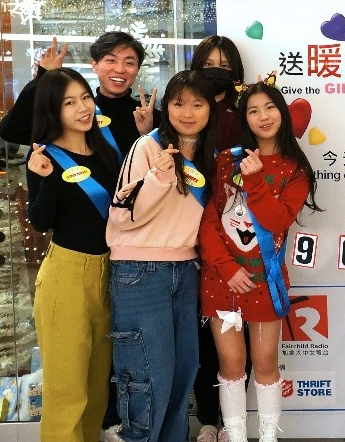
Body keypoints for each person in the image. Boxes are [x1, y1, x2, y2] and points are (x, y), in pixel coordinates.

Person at [199, 78, 321, 442]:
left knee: (265, 364)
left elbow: (277, 220)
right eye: (253, 110)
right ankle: (235, 436)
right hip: (223, 281)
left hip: (266, 281)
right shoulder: (226, 160)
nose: (263, 117)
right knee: (231, 366)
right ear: (244, 119)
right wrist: (227, 268)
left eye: (269, 108)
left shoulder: (295, 169)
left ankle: (268, 437)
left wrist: (254, 181)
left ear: (282, 113)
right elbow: (208, 222)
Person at [106, 70, 217, 442]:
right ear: (166, 107)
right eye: (179, 103)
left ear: (210, 109)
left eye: (197, 104)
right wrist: (158, 178)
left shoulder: (208, 156)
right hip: (140, 272)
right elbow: (125, 216)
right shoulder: (148, 147)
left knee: (183, 372)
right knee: (146, 378)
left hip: (186, 270)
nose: (188, 112)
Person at [26, 69, 120, 442]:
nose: (82, 108)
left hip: (109, 274)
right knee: (67, 393)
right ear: (54, 109)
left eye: (85, 97)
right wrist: (46, 179)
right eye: (69, 102)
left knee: (96, 392)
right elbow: (40, 221)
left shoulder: (105, 150)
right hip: (66, 275)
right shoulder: (45, 155)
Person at [189, 35, 247, 442]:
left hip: (239, 235)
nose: (216, 69)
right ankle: (208, 419)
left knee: (234, 331)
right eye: (209, 62)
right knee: (200, 333)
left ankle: (232, 423)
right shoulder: (190, 110)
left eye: (224, 64)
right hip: (189, 232)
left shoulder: (245, 111)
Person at [0, 33, 159, 159]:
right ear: (94, 65)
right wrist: (43, 78)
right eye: (110, 60)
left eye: (129, 63)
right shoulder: (75, 114)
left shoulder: (152, 118)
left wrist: (149, 133)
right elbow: (11, 131)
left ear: (137, 69)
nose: (119, 69)